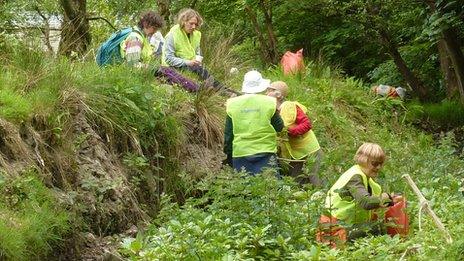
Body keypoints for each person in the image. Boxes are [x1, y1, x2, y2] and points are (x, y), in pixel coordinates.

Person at [317, 143, 395, 245]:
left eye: (381, 163)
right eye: (375, 163)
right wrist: (386, 198)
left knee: (379, 224)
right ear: (363, 160)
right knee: (378, 227)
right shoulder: (354, 178)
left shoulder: (371, 183)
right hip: (333, 231)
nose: (378, 167)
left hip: (346, 227)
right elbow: (366, 202)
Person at [223, 70, 284, 175]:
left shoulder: (232, 104)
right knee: (269, 187)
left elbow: (228, 134)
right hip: (266, 152)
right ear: (261, 86)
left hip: (241, 153)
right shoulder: (269, 102)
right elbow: (279, 127)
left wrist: (229, 154)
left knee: (244, 189)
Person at [266, 81, 322, 185]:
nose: (266, 93)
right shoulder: (273, 111)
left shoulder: (290, 106)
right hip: (296, 153)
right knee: (295, 181)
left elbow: (307, 124)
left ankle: (326, 198)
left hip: (310, 150)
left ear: (278, 94)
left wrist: (289, 131)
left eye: (269, 90)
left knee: (315, 179)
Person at [162, 8, 222, 89]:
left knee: (202, 70)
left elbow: (198, 52)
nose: (194, 27)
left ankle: (223, 90)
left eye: (196, 24)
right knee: (199, 72)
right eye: (191, 23)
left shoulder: (196, 35)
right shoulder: (172, 35)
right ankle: (220, 90)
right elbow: (168, 59)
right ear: (183, 21)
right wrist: (187, 62)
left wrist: (198, 59)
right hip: (172, 67)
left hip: (192, 66)